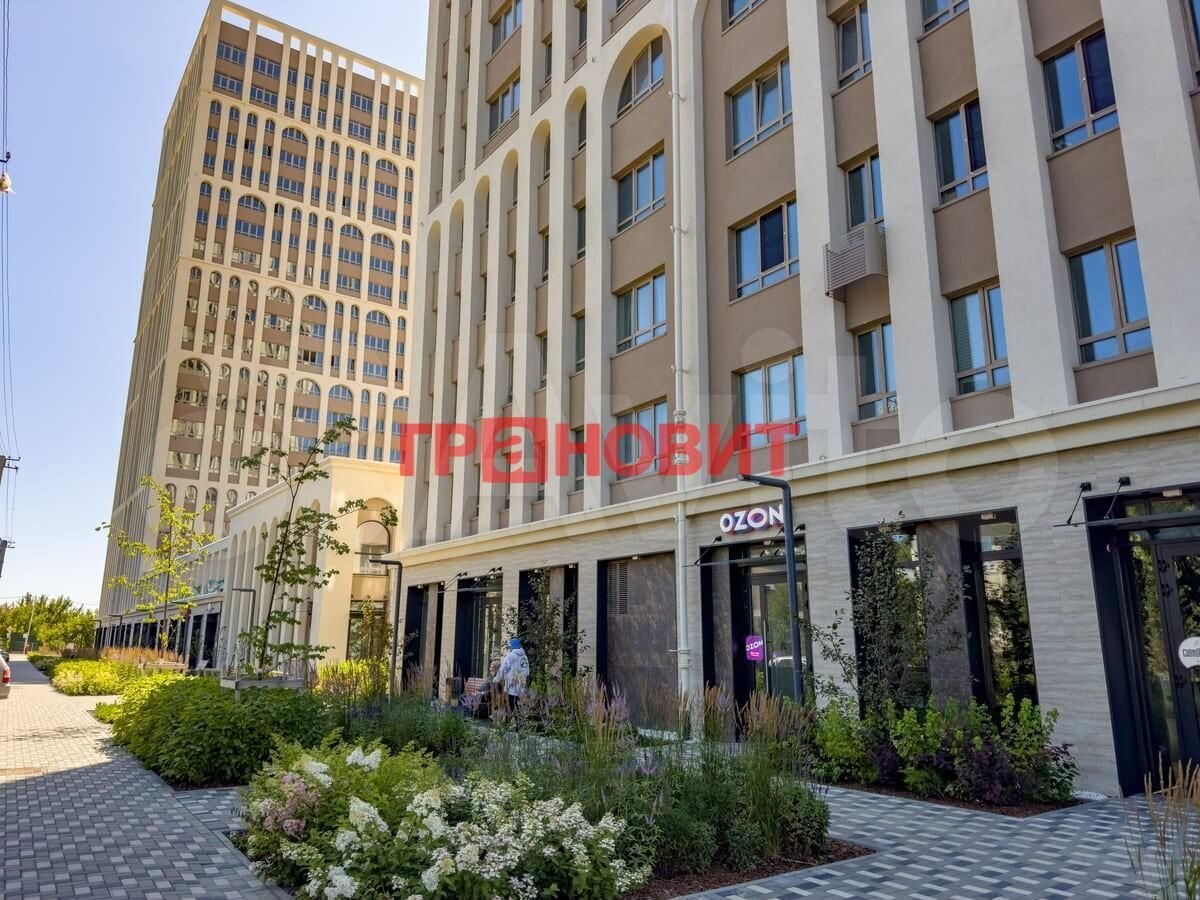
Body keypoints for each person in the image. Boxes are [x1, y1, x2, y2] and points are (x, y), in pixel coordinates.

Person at [495, 637, 530, 713]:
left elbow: (503, 669)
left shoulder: (510, 656)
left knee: (510, 706)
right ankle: (518, 720)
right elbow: (527, 672)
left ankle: (508, 719)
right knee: (519, 707)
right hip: (521, 686)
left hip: (510, 686)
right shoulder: (524, 657)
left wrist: (496, 679)